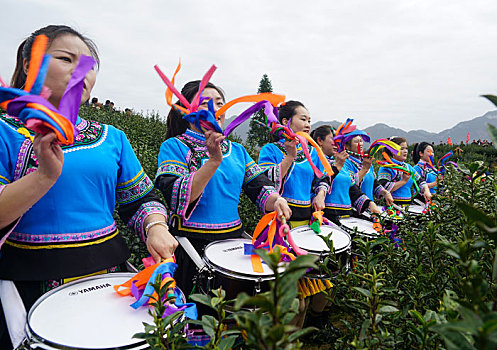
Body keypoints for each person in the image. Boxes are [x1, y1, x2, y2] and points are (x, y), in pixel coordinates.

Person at [0, 25, 178, 349]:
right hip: (29, 285)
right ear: (30, 63)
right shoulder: (5, 132)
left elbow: (141, 200)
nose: (81, 71)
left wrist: (155, 226)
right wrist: (42, 178)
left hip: (109, 276)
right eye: (66, 58)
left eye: (89, 66)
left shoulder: (112, 137)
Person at [154, 80, 291, 295]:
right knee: (199, 319)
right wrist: (213, 161)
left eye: (220, 103)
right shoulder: (175, 147)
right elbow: (176, 195)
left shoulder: (237, 150)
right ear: (187, 112)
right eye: (205, 104)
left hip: (233, 243)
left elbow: (258, 186)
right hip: (191, 247)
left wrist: (277, 201)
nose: (216, 110)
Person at [258, 101, 330, 228]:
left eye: (309, 120)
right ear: (286, 122)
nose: (307, 124)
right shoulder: (270, 150)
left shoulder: (313, 152)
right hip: (281, 219)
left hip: (307, 219)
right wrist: (290, 157)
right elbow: (266, 181)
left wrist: (320, 195)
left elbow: (322, 179)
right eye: (303, 119)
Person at [311, 126, 383, 223]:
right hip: (328, 217)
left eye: (340, 139)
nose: (337, 143)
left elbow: (352, 189)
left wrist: (369, 204)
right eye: (333, 139)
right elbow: (321, 181)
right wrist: (337, 167)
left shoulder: (340, 163)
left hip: (347, 216)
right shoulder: (315, 161)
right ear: (320, 141)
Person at [342, 135, 394, 206]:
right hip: (355, 208)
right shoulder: (345, 163)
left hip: (371, 207)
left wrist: (385, 193)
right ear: (347, 146)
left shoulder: (366, 162)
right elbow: (350, 185)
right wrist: (365, 169)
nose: (360, 144)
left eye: (361, 141)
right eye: (356, 142)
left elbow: (374, 184)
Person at [377, 137, 427, 205]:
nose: (405, 151)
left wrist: (426, 189)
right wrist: (403, 181)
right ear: (392, 150)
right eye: (402, 149)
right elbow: (383, 187)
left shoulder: (408, 167)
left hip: (407, 205)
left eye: (406, 148)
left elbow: (420, 181)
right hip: (392, 206)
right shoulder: (386, 167)